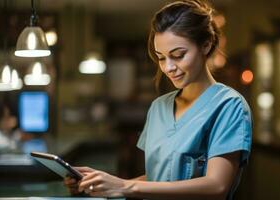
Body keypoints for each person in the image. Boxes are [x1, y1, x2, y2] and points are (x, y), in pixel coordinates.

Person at [64, 0, 252, 199]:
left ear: (205, 45)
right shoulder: (158, 107)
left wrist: (126, 186)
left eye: (178, 55)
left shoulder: (229, 106)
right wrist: (101, 184)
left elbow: (216, 186)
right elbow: (160, 179)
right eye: (161, 57)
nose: (168, 67)